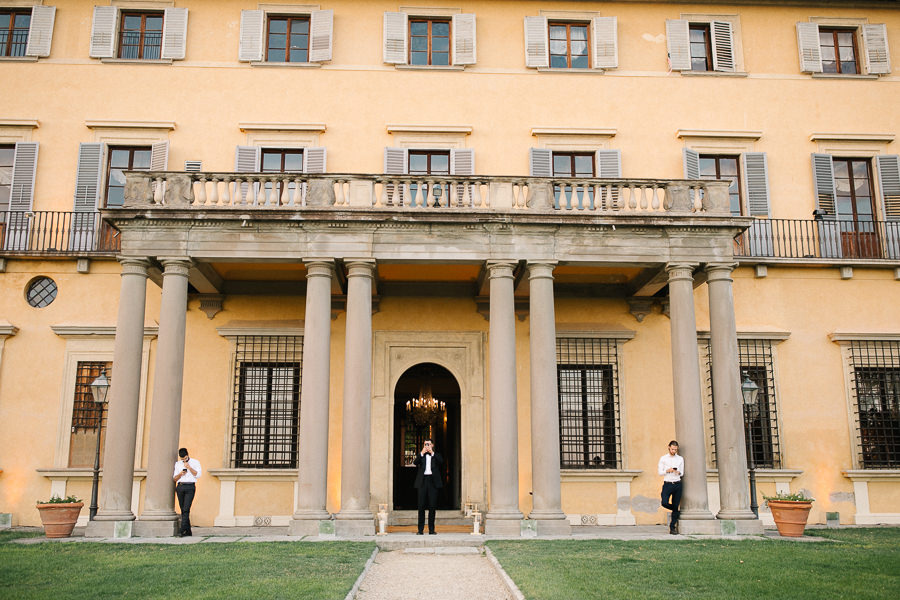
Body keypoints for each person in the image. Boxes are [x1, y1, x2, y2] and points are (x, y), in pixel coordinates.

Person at [413, 438, 443, 535]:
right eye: (425, 444)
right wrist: (421, 453)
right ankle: (420, 530)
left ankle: (431, 530)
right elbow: (415, 462)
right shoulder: (421, 455)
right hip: (422, 482)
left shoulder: (436, 455)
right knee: (421, 506)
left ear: (432, 445)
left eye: (429, 444)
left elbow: (441, 462)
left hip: (433, 482)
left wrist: (432, 453)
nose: (427, 446)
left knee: (432, 506)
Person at [173, 447, 202, 537]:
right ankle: (188, 530)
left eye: (185, 458)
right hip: (180, 486)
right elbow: (174, 478)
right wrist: (180, 474)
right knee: (183, 509)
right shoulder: (177, 464)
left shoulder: (195, 462)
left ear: (187, 455)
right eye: (182, 459)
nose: (184, 460)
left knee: (186, 509)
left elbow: (198, 475)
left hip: (190, 487)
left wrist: (189, 468)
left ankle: (182, 530)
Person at [658, 440, 683, 535]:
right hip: (668, 483)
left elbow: (682, 472)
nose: (674, 451)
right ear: (669, 447)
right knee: (664, 502)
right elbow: (660, 472)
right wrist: (667, 471)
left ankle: (672, 528)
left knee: (676, 504)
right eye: (672, 449)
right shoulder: (663, 458)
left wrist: (678, 472)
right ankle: (675, 510)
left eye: (675, 450)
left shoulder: (680, 459)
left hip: (677, 483)